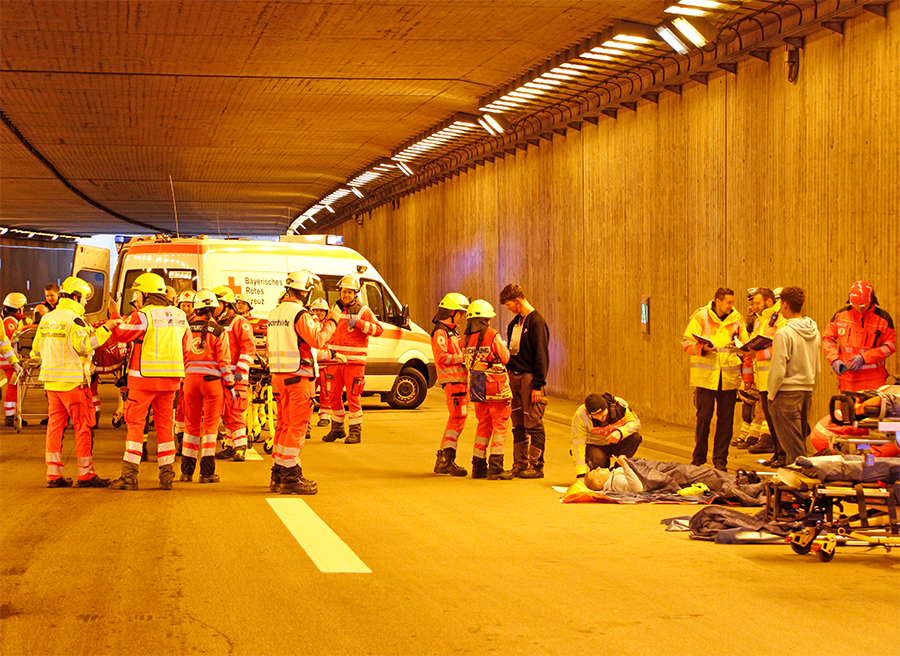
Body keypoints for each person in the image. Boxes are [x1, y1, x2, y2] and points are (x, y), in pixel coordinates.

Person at [31, 277, 120, 487]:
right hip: (73, 384)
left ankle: (53, 475)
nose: (86, 303)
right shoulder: (75, 320)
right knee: (83, 428)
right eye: (84, 299)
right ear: (74, 297)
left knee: (55, 428)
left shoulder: (46, 319)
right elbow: (85, 346)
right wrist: (106, 327)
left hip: (51, 384)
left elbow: (36, 350)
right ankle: (86, 474)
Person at [106, 272, 190, 490]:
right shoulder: (181, 315)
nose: (137, 298)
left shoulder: (143, 315)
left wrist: (114, 316)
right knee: (165, 428)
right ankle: (167, 476)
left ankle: (129, 477)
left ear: (146, 294)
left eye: (137, 293)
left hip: (142, 381)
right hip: (171, 382)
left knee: (135, 426)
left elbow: (123, 335)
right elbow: (187, 349)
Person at [266, 270, 342, 494]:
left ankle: (278, 473)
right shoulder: (300, 314)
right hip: (298, 378)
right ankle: (290, 477)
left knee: (283, 425)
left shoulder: (274, 313)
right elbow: (317, 340)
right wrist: (333, 322)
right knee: (297, 427)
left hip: (278, 377)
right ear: (305, 291)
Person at [682, 287, 749, 471]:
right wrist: (703, 349)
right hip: (705, 378)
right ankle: (699, 458)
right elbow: (686, 342)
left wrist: (737, 346)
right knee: (704, 418)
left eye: (733, 302)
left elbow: (745, 345)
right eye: (728, 302)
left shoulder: (737, 319)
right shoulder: (700, 316)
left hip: (728, 377)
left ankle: (720, 460)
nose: (731, 306)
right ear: (717, 301)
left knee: (725, 422)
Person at [180, 290, 235, 483]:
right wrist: (230, 385)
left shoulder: (186, 328)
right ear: (214, 309)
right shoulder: (220, 331)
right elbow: (224, 362)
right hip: (212, 384)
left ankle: (186, 472)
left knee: (191, 426)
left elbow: (182, 356)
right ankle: (207, 473)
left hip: (190, 381)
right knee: (210, 428)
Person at [322, 274, 384, 444]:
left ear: (356, 293)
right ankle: (337, 429)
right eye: (344, 292)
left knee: (353, 397)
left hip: (354, 362)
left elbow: (378, 330)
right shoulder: (335, 308)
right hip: (334, 361)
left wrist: (360, 324)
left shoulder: (364, 311)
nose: (346, 295)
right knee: (332, 395)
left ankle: (355, 432)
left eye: (350, 292)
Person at [767, 286, 822, 467]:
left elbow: (778, 368)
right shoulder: (814, 332)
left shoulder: (784, 333)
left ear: (784, 305)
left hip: (786, 393)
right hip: (806, 391)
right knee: (798, 442)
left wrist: (771, 394)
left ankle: (801, 487)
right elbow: (817, 368)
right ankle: (795, 486)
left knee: (794, 448)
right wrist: (810, 389)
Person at [499, 283, 549, 479]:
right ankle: (520, 463)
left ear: (518, 301)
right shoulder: (514, 325)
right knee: (518, 422)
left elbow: (541, 356)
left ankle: (536, 466)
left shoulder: (537, 323)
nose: (509, 309)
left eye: (509, 305)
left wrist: (538, 384)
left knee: (533, 422)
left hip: (530, 379)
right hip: (514, 378)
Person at [463, 300, 513, 480]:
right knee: (500, 425)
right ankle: (496, 467)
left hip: (477, 387)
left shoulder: (466, 338)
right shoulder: (492, 335)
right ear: (486, 319)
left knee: (483, 425)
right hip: (496, 386)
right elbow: (505, 357)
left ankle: (478, 466)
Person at [823, 280, 895, 392]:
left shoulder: (883, 319)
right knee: (846, 409)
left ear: (871, 300)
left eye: (863, 305)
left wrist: (865, 358)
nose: (860, 308)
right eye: (856, 305)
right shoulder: (840, 316)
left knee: (870, 409)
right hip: (847, 379)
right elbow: (828, 339)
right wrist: (834, 359)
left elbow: (889, 347)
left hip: (873, 379)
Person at [212, 286, 255, 461]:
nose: (213, 307)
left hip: (236, 376)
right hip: (221, 375)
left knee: (235, 411)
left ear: (226, 304)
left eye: (217, 304)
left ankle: (240, 447)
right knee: (225, 412)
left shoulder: (239, 322)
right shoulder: (216, 323)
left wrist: (241, 369)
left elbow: (248, 348)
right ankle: (230, 445)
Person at [744, 288, 787, 461]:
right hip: (763, 380)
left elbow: (781, 345)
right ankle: (777, 453)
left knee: (779, 420)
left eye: (758, 302)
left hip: (776, 378)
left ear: (769, 301)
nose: (754, 306)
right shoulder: (759, 321)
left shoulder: (779, 318)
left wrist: (758, 354)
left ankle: (783, 454)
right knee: (770, 420)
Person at [430, 293, 470, 476]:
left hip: (458, 382)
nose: (462, 316)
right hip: (452, 382)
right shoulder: (441, 331)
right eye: (460, 313)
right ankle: (446, 459)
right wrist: (463, 358)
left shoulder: (451, 331)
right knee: (457, 419)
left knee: (457, 419)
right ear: (451, 312)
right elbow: (442, 357)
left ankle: (446, 459)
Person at [570, 392, 642, 478]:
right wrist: (581, 474)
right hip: (595, 445)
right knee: (599, 463)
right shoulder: (581, 415)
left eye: (602, 413)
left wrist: (620, 432)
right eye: (595, 416)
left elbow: (636, 423)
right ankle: (601, 466)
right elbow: (577, 444)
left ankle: (617, 471)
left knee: (635, 437)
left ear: (607, 407)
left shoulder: (620, 405)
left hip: (614, 442)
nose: (600, 418)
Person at [2, 293, 29, 426]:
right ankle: (10, 416)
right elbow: (8, 343)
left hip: (9, 360)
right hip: (9, 361)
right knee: (13, 386)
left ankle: (11, 415)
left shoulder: (9, 321)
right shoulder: (10, 323)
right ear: (18, 308)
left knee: (14, 386)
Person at [309, 297, 332, 427]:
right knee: (309, 393)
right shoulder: (310, 323)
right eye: (316, 310)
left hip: (326, 364)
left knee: (326, 392)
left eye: (322, 311)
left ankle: (325, 416)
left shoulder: (330, 326)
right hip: (312, 364)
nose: (319, 313)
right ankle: (306, 420)